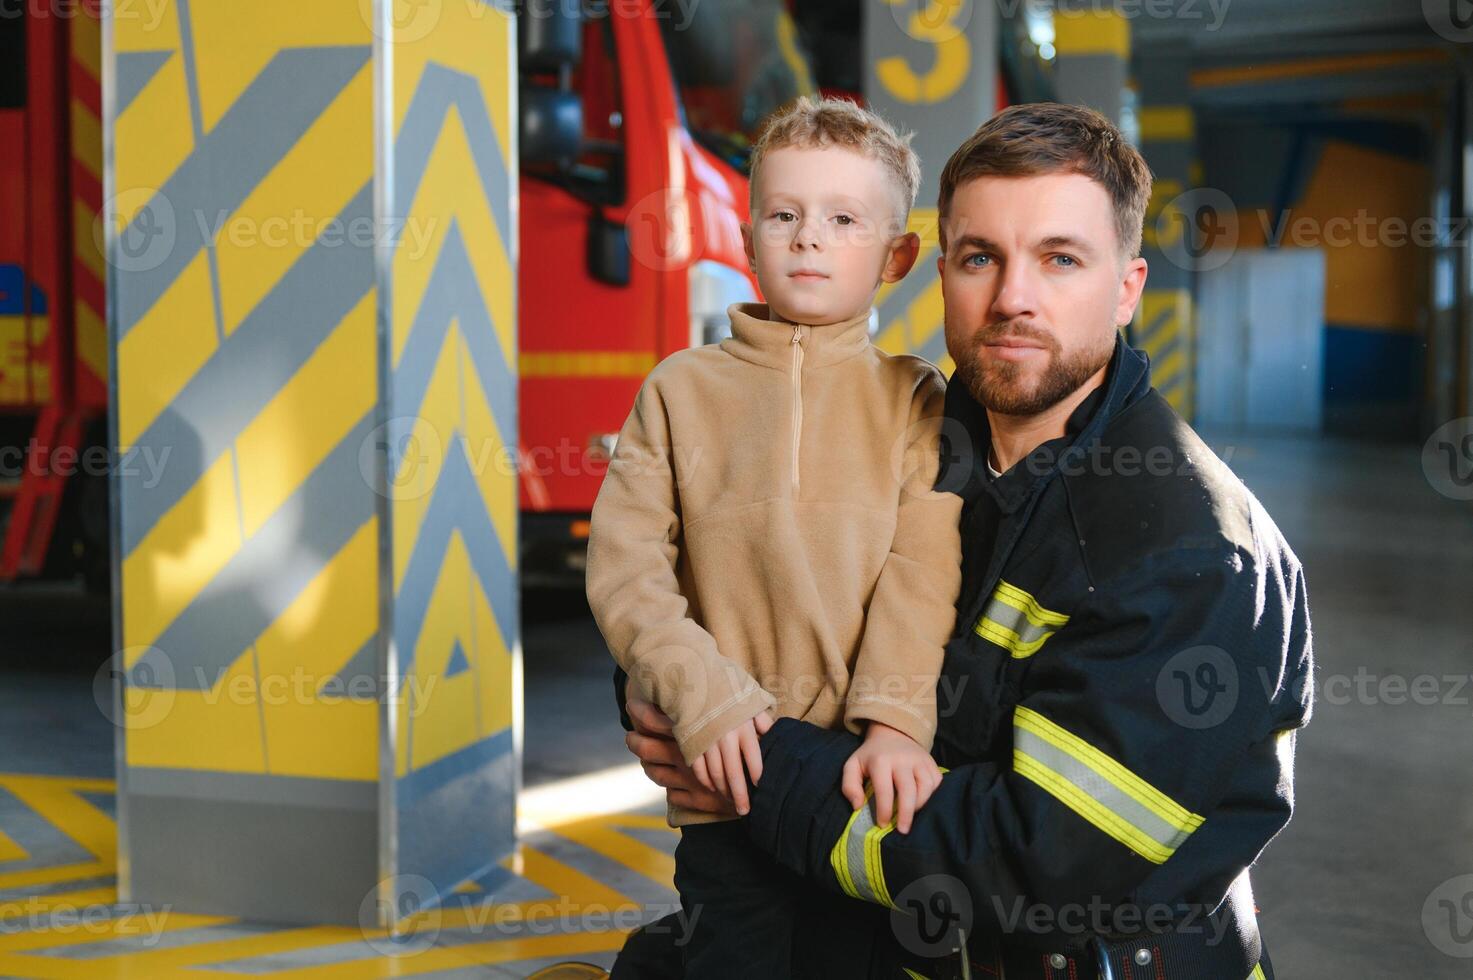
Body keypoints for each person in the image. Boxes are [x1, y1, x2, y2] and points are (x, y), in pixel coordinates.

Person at [616, 102, 1314, 979]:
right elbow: (714, 576)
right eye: (981, 258)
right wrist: (669, 694)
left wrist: (745, 764)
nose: (1013, 297)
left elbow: (1033, 862)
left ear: (1127, 286)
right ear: (938, 271)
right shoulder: (912, 439)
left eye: (1060, 259)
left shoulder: (1193, 557)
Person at [585, 96, 964, 980]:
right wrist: (699, 692)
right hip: (724, 789)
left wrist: (896, 725)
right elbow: (626, 568)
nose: (807, 239)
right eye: (783, 216)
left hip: (855, 795)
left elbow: (924, 571)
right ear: (747, 237)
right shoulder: (678, 390)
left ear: (894, 256)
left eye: (842, 220)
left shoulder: (918, 402)